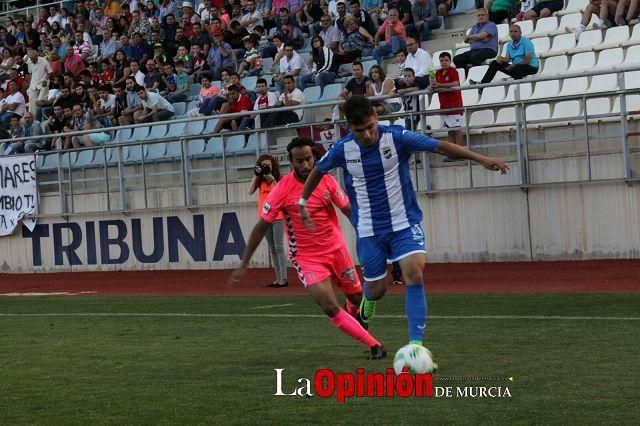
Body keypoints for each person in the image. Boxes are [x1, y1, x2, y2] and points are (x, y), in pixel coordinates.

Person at [298, 96, 509, 353]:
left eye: (370, 127)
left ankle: (416, 346)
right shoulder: (343, 149)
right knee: (377, 290)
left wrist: (481, 159)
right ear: (349, 129)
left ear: (376, 118)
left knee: (415, 274)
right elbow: (319, 170)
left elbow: (439, 146)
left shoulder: (396, 137)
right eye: (359, 130)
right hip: (368, 229)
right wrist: (303, 202)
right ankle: (368, 300)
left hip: (404, 222)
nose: (366, 135)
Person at [229, 136, 387, 360]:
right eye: (299, 161)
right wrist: (244, 262)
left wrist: (371, 237)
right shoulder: (282, 189)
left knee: (358, 301)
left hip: (337, 251)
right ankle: (375, 345)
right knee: (329, 306)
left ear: (315, 158)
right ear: (291, 163)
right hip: (307, 258)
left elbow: (349, 210)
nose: (305, 165)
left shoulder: (327, 181)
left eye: (308, 159)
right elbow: (261, 226)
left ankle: (354, 314)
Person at [248, 155, 289, 288]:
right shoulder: (260, 181)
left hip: (277, 216)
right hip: (264, 217)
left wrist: (273, 179)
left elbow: (282, 193)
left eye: (268, 166)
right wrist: (256, 174)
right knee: (272, 248)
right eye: (263, 165)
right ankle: (278, 278)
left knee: (278, 246)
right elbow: (250, 191)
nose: (266, 168)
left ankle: (283, 278)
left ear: (273, 166)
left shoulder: (278, 179)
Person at [473, 24, 538, 93]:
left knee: (517, 68)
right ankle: (482, 85)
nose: (513, 33)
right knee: (495, 63)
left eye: (515, 31)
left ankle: (519, 91)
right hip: (516, 67)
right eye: (511, 32)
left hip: (531, 67)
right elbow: (507, 59)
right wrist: (500, 58)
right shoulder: (509, 44)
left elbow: (527, 60)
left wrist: (514, 65)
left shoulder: (526, 42)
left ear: (520, 33)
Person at [432, 52, 464, 160]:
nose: (444, 62)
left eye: (446, 60)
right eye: (441, 61)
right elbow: (433, 84)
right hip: (444, 106)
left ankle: (460, 153)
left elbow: (455, 83)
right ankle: (453, 154)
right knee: (450, 130)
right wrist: (430, 87)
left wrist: (440, 85)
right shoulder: (438, 73)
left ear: (450, 61)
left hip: (454, 105)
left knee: (457, 130)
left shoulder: (453, 71)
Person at [453, 8, 498, 73]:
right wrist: (480, 37)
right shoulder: (474, 27)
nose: (481, 17)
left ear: (487, 16)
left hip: (489, 50)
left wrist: (471, 36)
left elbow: (479, 36)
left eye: (483, 15)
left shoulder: (491, 24)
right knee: (457, 59)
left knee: (475, 56)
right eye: (479, 15)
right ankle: (467, 75)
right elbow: (466, 40)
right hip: (474, 50)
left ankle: (478, 75)